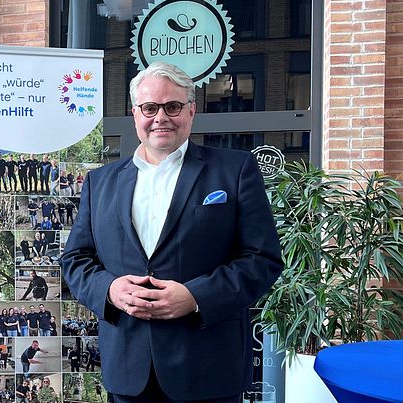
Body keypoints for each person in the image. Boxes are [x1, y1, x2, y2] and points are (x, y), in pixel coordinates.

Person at [60, 62, 283, 402]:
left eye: (172, 106)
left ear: (191, 110)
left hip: (207, 368)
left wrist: (196, 297)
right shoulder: (100, 182)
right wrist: (111, 289)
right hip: (127, 369)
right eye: (150, 107)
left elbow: (262, 259)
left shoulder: (234, 170)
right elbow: (76, 260)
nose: (160, 117)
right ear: (136, 113)